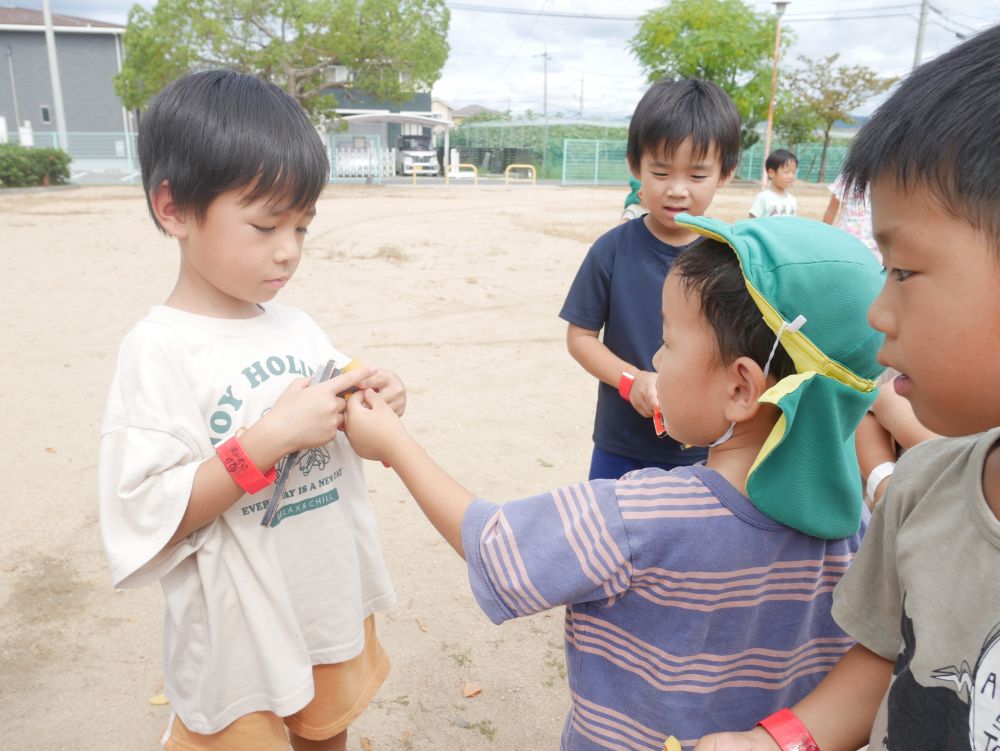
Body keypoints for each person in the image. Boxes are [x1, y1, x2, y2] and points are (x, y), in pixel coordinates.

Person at [344, 213, 885, 749]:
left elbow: (492, 544)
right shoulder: (858, 527)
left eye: (669, 343)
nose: (653, 357)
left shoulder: (640, 517)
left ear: (743, 388)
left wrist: (394, 445)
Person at [694, 24, 1000, 751]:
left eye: (903, 271)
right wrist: (773, 742)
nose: (876, 312)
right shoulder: (924, 488)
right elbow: (881, 660)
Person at [98, 70, 404, 751]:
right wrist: (264, 440)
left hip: (322, 599)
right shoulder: (159, 351)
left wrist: (372, 403)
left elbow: (338, 424)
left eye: (302, 224)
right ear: (173, 208)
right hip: (240, 635)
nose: (289, 249)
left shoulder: (295, 326)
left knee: (329, 731)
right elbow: (151, 514)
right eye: (266, 224)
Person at [561, 78, 742, 481]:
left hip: (710, 449)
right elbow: (581, 338)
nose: (677, 190)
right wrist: (631, 380)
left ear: (725, 172)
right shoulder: (611, 250)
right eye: (660, 171)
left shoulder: (734, 257)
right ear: (635, 166)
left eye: (697, 176)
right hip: (620, 445)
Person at [823, 172, 881, 262]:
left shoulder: (885, 177)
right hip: (846, 243)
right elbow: (831, 211)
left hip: (874, 247)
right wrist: (823, 237)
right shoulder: (846, 177)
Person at [748, 149, 798, 218]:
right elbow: (751, 222)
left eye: (793, 172)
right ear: (771, 173)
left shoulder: (792, 200)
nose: (791, 176)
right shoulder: (764, 198)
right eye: (787, 172)